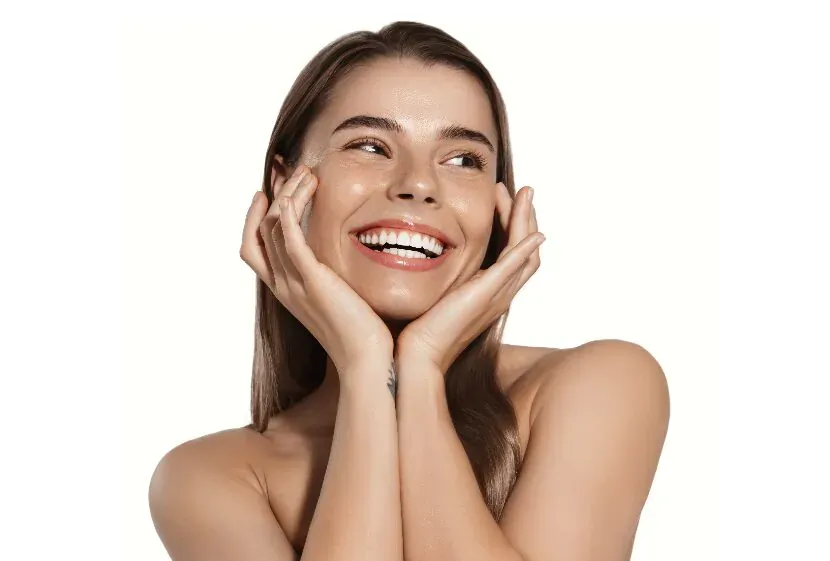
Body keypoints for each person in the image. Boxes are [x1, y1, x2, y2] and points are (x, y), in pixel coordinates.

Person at [148, 20, 670, 561]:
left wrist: (420, 369)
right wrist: (365, 367)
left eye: (464, 159)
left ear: (500, 208)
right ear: (287, 186)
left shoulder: (599, 385)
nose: (418, 183)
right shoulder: (213, 478)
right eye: (370, 146)